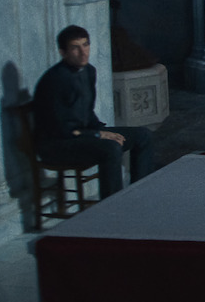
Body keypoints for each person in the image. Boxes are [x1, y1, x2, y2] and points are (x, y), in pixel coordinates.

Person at [32, 25, 154, 199]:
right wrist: (98, 135)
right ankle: (114, 205)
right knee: (111, 148)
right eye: (75, 47)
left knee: (143, 135)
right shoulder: (54, 80)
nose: (83, 52)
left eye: (86, 45)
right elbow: (59, 129)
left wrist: (102, 131)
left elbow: (86, 113)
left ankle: (141, 196)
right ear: (63, 52)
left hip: (82, 135)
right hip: (56, 143)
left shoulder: (89, 71)